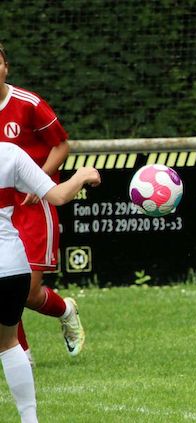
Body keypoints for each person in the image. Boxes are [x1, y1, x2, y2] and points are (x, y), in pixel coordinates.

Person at [1, 141, 100, 423]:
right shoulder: (10, 153)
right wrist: (81, 176)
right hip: (12, 267)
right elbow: (57, 195)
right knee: (8, 344)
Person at [0, 42, 85, 363]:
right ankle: (21, 355)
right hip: (2, 206)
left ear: (6, 67)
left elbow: (62, 146)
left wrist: (40, 180)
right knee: (4, 280)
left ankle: (65, 310)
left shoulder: (29, 104)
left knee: (26, 291)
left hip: (35, 204)